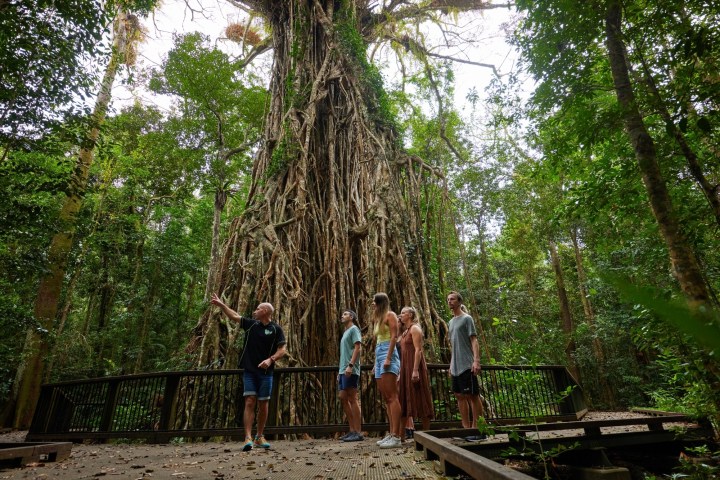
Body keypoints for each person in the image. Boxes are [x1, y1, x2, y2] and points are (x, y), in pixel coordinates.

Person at [211, 293, 287, 451]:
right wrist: (222, 305)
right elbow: (234, 316)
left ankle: (259, 436)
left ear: (266, 311)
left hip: (266, 373)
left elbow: (282, 350)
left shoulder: (276, 329)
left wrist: (270, 360)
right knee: (250, 401)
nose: (255, 311)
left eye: (258, 309)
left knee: (263, 404)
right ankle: (247, 437)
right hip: (249, 371)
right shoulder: (251, 324)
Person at [446, 291, 486, 441]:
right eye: (448, 299)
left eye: (452, 299)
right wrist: (451, 364)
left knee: (473, 396)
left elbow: (474, 341)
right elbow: (453, 345)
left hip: (466, 365)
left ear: (459, 301)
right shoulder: (450, 322)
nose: (450, 301)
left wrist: (476, 361)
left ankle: (479, 430)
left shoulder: (467, 319)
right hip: (455, 366)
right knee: (459, 396)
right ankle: (466, 429)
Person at [371, 292, 402, 448]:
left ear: (380, 302)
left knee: (392, 397)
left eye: (374, 302)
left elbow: (394, 337)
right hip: (379, 355)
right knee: (386, 398)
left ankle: (396, 436)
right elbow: (378, 340)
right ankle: (391, 433)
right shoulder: (378, 319)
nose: (372, 304)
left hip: (388, 354)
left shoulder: (391, 315)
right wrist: (375, 363)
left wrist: (388, 357)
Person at [398, 306, 434, 440]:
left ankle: (427, 436)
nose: (400, 315)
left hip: (414, 368)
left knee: (421, 397)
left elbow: (418, 350)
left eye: (403, 313)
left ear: (410, 315)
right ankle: (400, 437)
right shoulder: (404, 332)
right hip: (405, 368)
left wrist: (415, 370)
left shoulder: (415, 329)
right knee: (404, 399)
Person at [337, 309, 363, 442]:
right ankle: (351, 430)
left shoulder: (354, 330)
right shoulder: (345, 332)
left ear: (351, 317)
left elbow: (357, 347)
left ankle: (358, 432)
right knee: (342, 397)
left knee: (353, 398)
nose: (342, 316)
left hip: (350, 369)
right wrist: (340, 371)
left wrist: (351, 365)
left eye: (345, 314)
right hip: (343, 370)